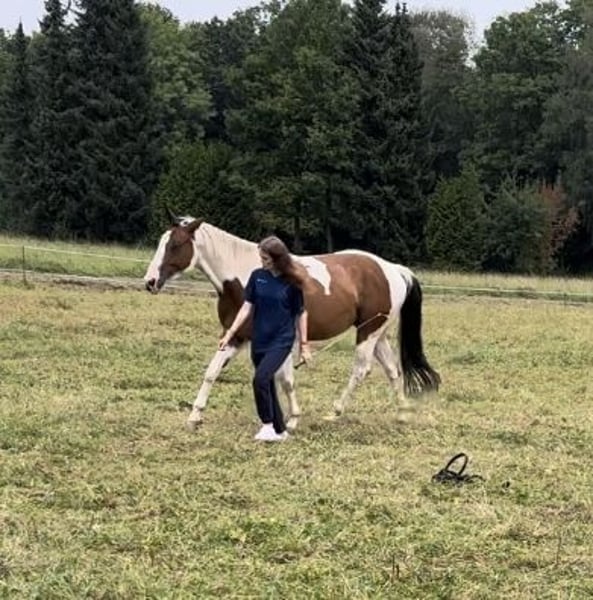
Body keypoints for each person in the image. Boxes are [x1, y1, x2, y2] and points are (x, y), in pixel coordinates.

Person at [218, 236, 312, 442]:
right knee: (267, 383)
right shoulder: (257, 276)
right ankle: (280, 430)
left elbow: (301, 313)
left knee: (260, 379)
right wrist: (230, 333)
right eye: (261, 258)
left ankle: (267, 425)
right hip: (259, 339)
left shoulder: (291, 283)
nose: (262, 262)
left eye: (266, 259)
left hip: (281, 340)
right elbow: (246, 307)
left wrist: (304, 346)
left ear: (278, 259)